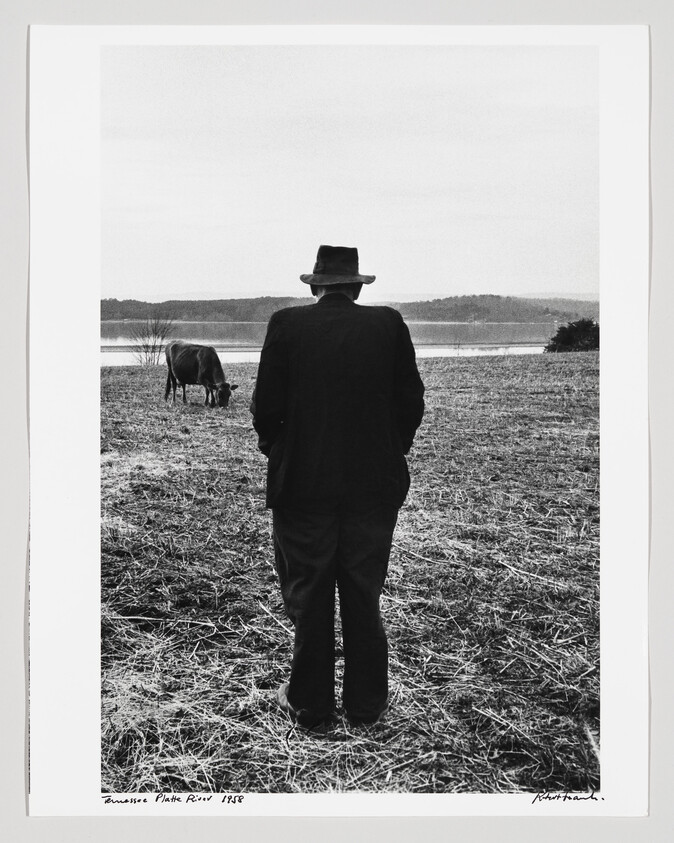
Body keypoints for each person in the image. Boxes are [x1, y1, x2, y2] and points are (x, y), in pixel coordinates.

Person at [250, 245, 425, 730]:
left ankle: (311, 706)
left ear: (315, 286)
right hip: (374, 486)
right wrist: (391, 450)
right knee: (362, 592)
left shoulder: (285, 324)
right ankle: (367, 705)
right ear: (358, 286)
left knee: (309, 593)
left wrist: (281, 450)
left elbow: (266, 408)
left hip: (302, 485)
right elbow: (410, 403)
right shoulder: (389, 324)